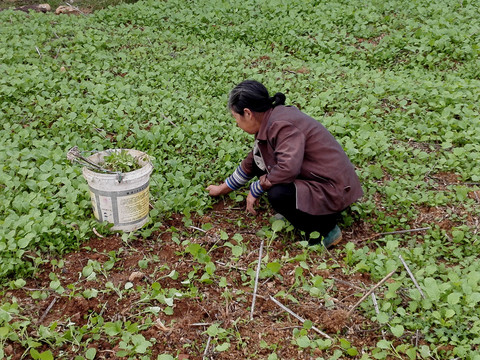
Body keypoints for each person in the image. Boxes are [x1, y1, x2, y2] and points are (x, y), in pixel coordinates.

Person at [206, 80, 363, 248]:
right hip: (321, 182)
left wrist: (257, 188)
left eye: (236, 118)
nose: (236, 124)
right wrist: (222, 188)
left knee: (277, 193)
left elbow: (288, 168)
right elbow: (253, 161)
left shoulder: (281, 125)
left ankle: (325, 230)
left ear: (248, 113)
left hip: (334, 189)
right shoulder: (270, 120)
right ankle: (301, 212)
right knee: (263, 168)